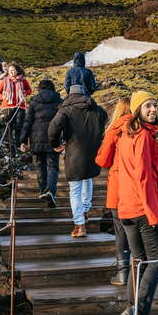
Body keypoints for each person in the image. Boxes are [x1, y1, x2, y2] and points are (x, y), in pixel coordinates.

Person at [117, 91, 158, 315]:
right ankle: (140, 313)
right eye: (148, 106)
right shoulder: (144, 137)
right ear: (137, 110)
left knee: (138, 261)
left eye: (155, 105)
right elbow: (143, 177)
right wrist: (153, 213)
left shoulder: (125, 134)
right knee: (156, 261)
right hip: (143, 208)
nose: (153, 110)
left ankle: (130, 310)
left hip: (125, 208)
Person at [48, 84, 107, 238]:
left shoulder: (66, 110)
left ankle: (79, 225)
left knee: (75, 189)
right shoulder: (99, 110)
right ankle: (85, 212)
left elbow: (53, 127)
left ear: (69, 95)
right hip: (94, 151)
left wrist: (56, 144)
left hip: (74, 152)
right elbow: (107, 127)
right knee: (88, 179)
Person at [96, 97, 132, 286]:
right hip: (139, 187)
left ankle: (123, 273)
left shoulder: (115, 128)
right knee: (143, 229)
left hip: (119, 185)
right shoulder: (144, 128)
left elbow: (102, 160)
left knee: (120, 229)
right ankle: (156, 270)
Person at [20, 80, 62, 208]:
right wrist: (64, 137)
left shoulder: (34, 101)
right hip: (53, 135)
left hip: (37, 135)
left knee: (40, 164)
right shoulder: (59, 100)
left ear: (39, 88)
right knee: (53, 165)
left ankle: (43, 190)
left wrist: (23, 140)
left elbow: (27, 122)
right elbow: (63, 120)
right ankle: (51, 191)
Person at [0, 62, 32, 154]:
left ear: (17, 71)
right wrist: (3, 98)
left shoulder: (23, 80)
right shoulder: (5, 80)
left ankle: (18, 145)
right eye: (10, 71)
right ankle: (9, 147)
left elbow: (29, 90)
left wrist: (25, 93)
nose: (11, 72)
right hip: (7, 107)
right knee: (9, 127)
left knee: (20, 127)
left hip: (20, 106)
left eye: (13, 70)